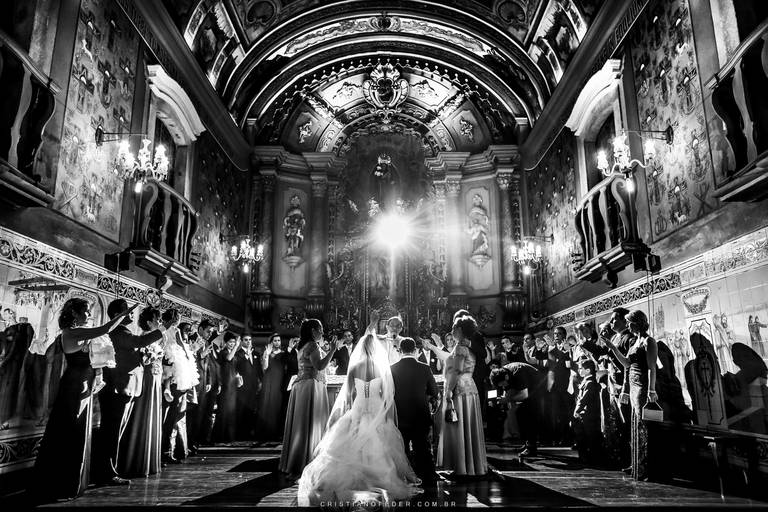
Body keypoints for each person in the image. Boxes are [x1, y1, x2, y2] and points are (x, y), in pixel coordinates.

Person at [297, 318, 422, 505]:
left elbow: (349, 394)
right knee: (379, 442)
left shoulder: (355, 367)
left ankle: (352, 478)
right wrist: (384, 413)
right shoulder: (380, 368)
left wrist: (352, 409)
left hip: (359, 406)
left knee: (352, 439)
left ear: (361, 349)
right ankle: (378, 477)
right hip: (376, 407)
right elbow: (386, 394)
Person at [30, 299, 134, 501]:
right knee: (71, 433)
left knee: (77, 433)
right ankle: (61, 484)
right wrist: (122, 316)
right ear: (74, 314)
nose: (89, 314)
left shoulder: (81, 333)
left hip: (83, 387)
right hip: (74, 387)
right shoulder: (72, 332)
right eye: (86, 311)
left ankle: (70, 482)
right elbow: (104, 329)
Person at [93, 299, 164, 485]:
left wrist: (143, 357)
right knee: (112, 432)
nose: (132, 313)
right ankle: (106, 473)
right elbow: (140, 341)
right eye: (128, 310)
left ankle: (110, 469)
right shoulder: (119, 331)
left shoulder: (123, 332)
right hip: (117, 389)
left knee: (115, 431)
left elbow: (130, 353)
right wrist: (164, 328)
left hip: (123, 388)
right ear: (118, 315)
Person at [279, 319, 340, 479]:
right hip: (310, 386)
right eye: (320, 329)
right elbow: (319, 366)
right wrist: (332, 351)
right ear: (313, 330)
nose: (322, 332)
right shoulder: (312, 345)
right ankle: (304, 464)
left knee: (302, 424)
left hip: (303, 385)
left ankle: (297, 462)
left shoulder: (303, 345)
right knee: (309, 423)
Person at [602, 310, 658, 481]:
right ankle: (637, 463)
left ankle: (646, 466)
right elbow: (627, 363)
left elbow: (652, 368)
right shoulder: (635, 342)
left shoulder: (648, 341)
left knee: (643, 424)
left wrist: (651, 390)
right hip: (633, 386)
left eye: (629, 322)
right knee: (635, 424)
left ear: (637, 322)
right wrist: (612, 348)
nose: (627, 325)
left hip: (642, 385)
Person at [118, 307, 165, 477]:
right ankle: (138, 458)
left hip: (156, 377)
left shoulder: (155, 338)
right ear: (149, 322)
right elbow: (142, 359)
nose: (160, 322)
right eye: (157, 319)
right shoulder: (144, 337)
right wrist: (152, 357)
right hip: (147, 378)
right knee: (144, 413)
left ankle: (150, 458)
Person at [438, 316, 487, 476]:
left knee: (458, 426)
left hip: (459, 389)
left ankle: (461, 467)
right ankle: (471, 465)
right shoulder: (469, 347)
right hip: (470, 388)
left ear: (459, 329)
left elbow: (456, 371)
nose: (451, 330)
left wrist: (448, 391)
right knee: (468, 426)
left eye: (453, 327)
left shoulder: (460, 347)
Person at [391, 336, 439, 483]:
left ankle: (403, 475)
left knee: (402, 447)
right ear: (415, 350)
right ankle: (428, 475)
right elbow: (434, 391)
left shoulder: (392, 368)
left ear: (400, 350)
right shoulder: (424, 367)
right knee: (423, 446)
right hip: (420, 413)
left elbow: (388, 392)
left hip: (400, 414)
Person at [161, 315, 198, 463]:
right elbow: (168, 370)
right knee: (170, 420)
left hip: (181, 385)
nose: (186, 334)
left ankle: (174, 450)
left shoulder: (181, 346)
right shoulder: (171, 344)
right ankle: (166, 451)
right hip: (173, 384)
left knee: (176, 419)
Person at [491, 362, 546, 457]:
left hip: (538, 387)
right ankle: (528, 443)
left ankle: (531, 447)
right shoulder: (504, 373)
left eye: (502, 384)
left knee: (528, 415)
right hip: (528, 389)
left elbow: (524, 395)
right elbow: (507, 389)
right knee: (520, 414)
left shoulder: (519, 373)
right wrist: (505, 399)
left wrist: (507, 399)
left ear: (506, 377)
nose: (502, 386)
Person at [186, 320, 216, 454]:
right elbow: (187, 358)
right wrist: (200, 355)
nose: (210, 334)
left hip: (203, 383)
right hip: (192, 382)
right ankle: (187, 443)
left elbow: (208, 364)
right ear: (200, 329)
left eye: (211, 332)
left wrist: (208, 380)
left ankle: (194, 442)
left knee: (200, 413)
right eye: (208, 331)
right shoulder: (191, 339)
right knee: (190, 414)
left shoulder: (208, 343)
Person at [256, 333, 288, 441]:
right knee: (267, 403)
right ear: (271, 342)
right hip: (268, 380)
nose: (277, 342)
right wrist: (267, 354)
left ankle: (277, 433)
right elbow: (264, 368)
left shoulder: (284, 353)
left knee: (277, 404)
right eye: (275, 340)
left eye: (279, 340)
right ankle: (265, 432)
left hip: (280, 380)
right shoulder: (267, 352)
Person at [572, 359, 602, 465]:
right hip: (586, 414)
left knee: (586, 437)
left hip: (588, 415)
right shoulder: (587, 381)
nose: (579, 370)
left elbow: (584, 399)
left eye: (581, 368)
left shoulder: (590, 383)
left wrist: (577, 411)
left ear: (588, 370)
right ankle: (585, 457)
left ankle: (587, 458)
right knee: (584, 437)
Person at [213, 332, 241, 443]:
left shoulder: (233, 353)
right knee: (223, 410)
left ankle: (229, 437)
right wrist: (236, 346)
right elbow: (229, 358)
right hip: (225, 384)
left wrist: (238, 377)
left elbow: (234, 366)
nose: (232, 344)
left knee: (231, 411)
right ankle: (220, 436)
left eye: (234, 342)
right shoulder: (223, 353)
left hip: (233, 383)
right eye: (230, 342)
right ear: (225, 342)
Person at [235, 334, 262, 440]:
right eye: (246, 340)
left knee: (252, 409)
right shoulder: (238, 354)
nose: (248, 342)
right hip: (242, 386)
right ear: (242, 341)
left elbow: (259, 369)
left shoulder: (256, 354)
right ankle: (241, 434)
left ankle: (250, 433)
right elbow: (235, 369)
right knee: (242, 409)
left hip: (254, 386)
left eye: (250, 340)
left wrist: (261, 381)